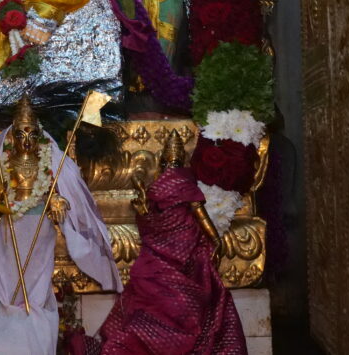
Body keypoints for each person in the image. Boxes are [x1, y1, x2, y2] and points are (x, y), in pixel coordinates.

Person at [0, 96, 122, 354]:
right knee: (7, 281)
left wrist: (57, 201)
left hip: (41, 230)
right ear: (12, 136)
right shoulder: (4, 161)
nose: (26, 140)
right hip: (9, 229)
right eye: (20, 133)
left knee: (36, 285)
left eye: (31, 134)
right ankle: (6, 337)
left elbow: (53, 192)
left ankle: (30, 337)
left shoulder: (46, 160)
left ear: (38, 136)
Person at [74, 131, 247, 355]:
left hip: (185, 249)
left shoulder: (182, 184)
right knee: (160, 300)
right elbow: (152, 222)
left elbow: (199, 215)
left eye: (175, 162)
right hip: (163, 252)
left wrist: (215, 240)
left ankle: (174, 337)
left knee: (182, 302)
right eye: (169, 162)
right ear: (163, 163)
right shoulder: (165, 186)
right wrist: (143, 209)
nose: (172, 167)